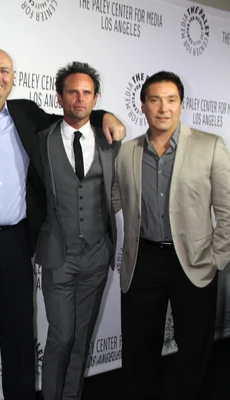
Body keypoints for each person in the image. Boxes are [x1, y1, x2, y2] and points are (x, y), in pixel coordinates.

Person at [0, 49, 126, 400]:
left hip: (13, 245)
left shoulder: (26, 115)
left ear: (13, 78)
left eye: (4, 71)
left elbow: (73, 116)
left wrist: (106, 116)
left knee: (18, 340)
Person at [112, 71, 230, 400]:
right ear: (143, 106)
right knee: (139, 352)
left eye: (171, 100)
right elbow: (110, 200)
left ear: (181, 105)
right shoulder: (126, 152)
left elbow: (227, 210)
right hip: (143, 262)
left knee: (193, 352)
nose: (163, 108)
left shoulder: (211, 147)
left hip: (193, 263)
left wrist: (217, 258)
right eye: (154, 100)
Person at [35, 62, 119, 400]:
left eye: (86, 93)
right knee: (62, 336)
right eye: (73, 92)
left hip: (97, 254)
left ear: (95, 99)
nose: (80, 99)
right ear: (60, 97)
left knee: (82, 337)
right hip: (59, 255)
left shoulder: (110, 140)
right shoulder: (41, 139)